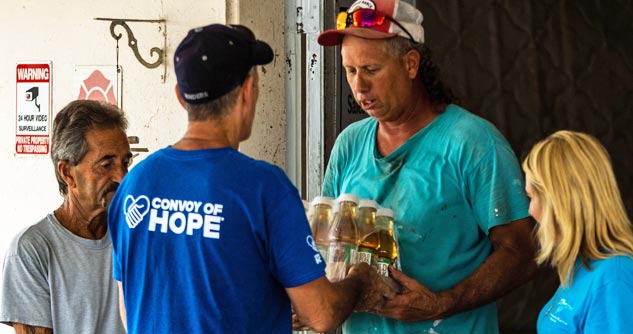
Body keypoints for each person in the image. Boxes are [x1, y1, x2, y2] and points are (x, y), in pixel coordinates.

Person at [107, 23, 393, 334]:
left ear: (180, 97)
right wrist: (360, 278)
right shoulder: (263, 188)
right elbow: (322, 314)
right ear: (247, 92)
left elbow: (130, 309)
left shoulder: (135, 185)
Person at [317, 0, 538, 333]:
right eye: (350, 70)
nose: (359, 86)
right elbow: (329, 249)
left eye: (371, 70)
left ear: (410, 64)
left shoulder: (472, 142)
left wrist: (444, 303)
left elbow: (520, 252)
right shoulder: (350, 144)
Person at [0, 100, 131, 334]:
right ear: (67, 172)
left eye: (125, 163)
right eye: (106, 164)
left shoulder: (135, 236)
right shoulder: (31, 251)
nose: (122, 177)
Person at [522, 130, 633, 333]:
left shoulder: (613, 277)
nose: (531, 210)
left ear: (559, 202)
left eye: (532, 197)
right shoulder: (582, 265)